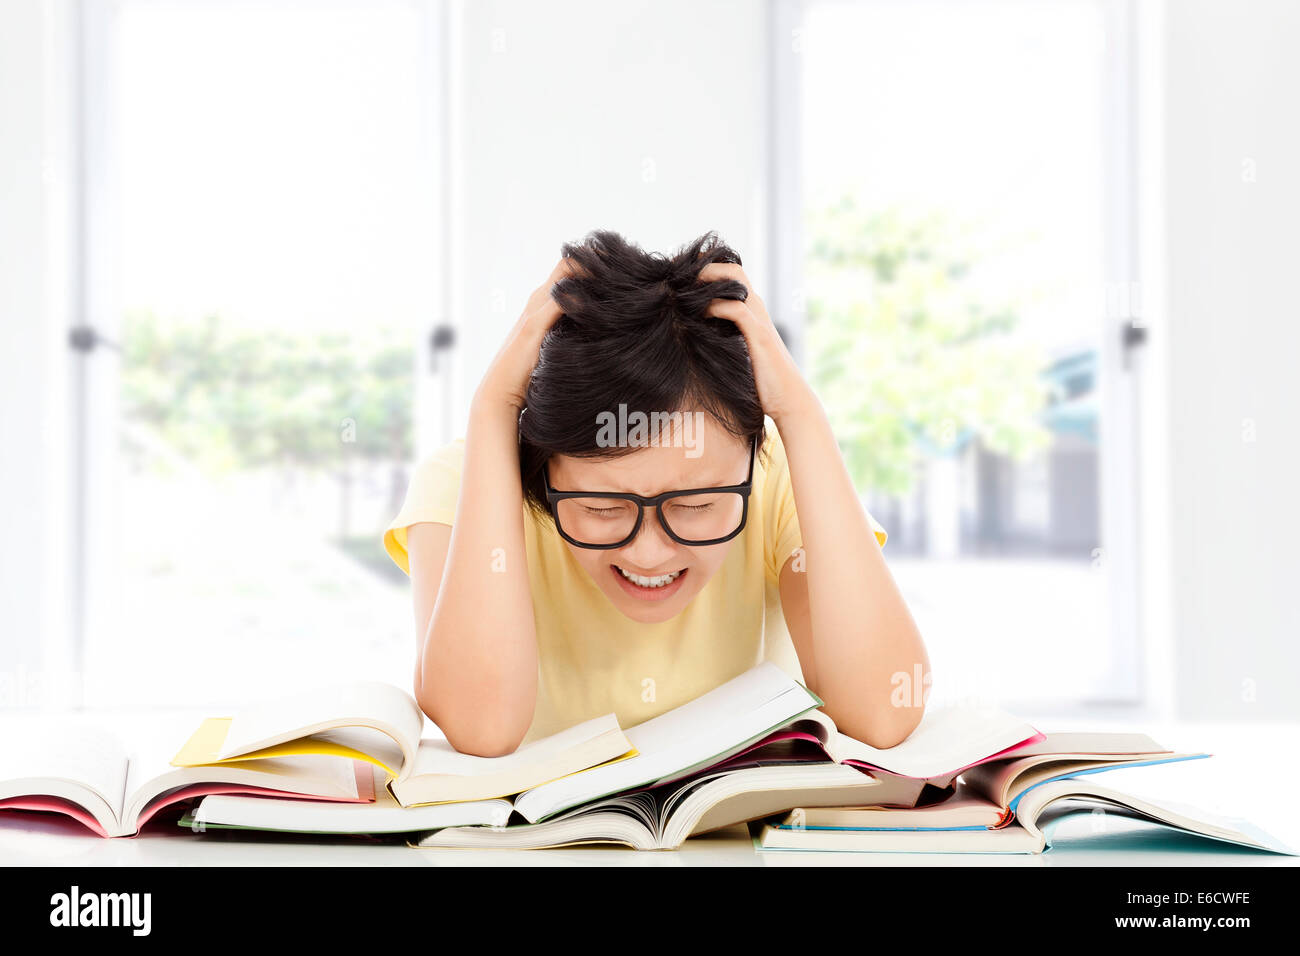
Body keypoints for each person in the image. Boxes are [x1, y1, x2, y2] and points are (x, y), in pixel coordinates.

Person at [382, 230, 931, 756]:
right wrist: (493, 405)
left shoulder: (779, 477)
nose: (647, 554)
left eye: (694, 506)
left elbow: (882, 712)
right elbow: (482, 727)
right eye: (601, 507)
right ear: (542, 462)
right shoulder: (464, 484)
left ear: (749, 458)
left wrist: (802, 415)